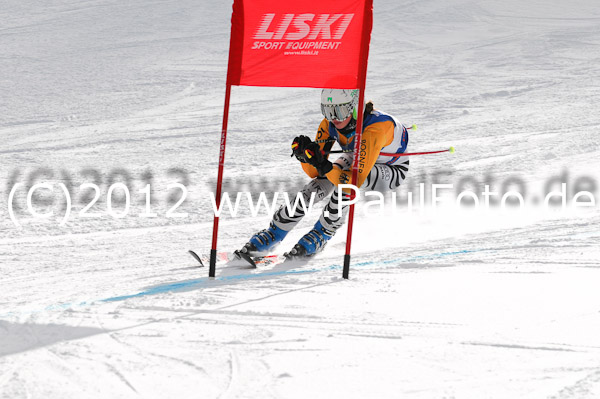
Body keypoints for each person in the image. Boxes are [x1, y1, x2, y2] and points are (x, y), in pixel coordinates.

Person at [237, 89, 410, 260]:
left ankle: (322, 233)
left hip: (390, 169)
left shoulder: (375, 129)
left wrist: (326, 167)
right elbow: (315, 173)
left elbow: (352, 184)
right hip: (356, 158)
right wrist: (306, 157)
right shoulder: (328, 125)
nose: (334, 118)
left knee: (342, 190)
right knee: (317, 187)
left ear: (354, 108)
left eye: (340, 111)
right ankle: (275, 232)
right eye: (328, 111)